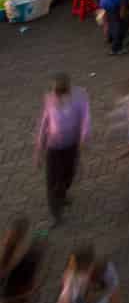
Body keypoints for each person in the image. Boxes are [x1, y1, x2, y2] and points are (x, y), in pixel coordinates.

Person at [35, 74, 89, 223]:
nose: (56, 94)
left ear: (67, 89)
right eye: (54, 90)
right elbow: (45, 121)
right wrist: (39, 148)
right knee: (53, 181)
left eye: (59, 90)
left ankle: (63, 193)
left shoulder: (79, 97)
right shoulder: (50, 99)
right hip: (54, 147)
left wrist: (84, 137)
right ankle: (55, 213)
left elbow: (85, 117)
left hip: (71, 145)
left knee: (68, 175)